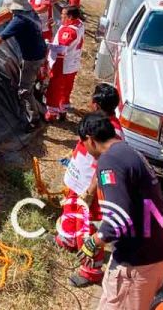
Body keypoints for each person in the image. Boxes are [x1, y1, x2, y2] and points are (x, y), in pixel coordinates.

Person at [75, 113, 163, 310]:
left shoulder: (109, 161)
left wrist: (94, 241)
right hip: (152, 253)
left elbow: (117, 219)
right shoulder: (128, 151)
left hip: (137, 263)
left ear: (90, 140)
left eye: (83, 144)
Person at [54, 83, 124, 287]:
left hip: (89, 188)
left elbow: (105, 165)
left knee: (87, 226)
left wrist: (91, 192)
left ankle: (91, 270)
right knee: (69, 210)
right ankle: (67, 239)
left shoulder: (112, 132)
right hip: (78, 181)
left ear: (96, 105)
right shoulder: (97, 121)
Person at [0, 0, 48, 130]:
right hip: (40, 52)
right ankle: (38, 96)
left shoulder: (19, 21)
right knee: (31, 79)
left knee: (24, 90)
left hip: (32, 58)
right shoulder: (31, 13)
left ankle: (34, 119)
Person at [44, 6, 84, 122]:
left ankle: (51, 114)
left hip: (63, 63)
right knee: (66, 89)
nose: (61, 16)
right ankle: (63, 110)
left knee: (54, 89)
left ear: (70, 17)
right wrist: (57, 23)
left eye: (63, 15)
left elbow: (62, 48)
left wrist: (47, 45)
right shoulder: (80, 24)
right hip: (73, 63)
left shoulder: (68, 31)